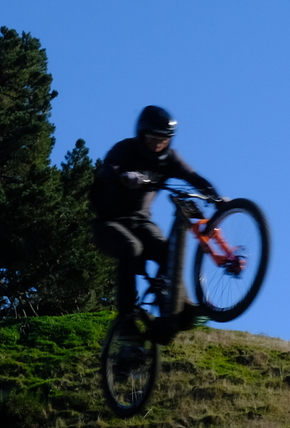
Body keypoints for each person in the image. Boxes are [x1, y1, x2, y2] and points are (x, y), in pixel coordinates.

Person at [90, 105, 220, 342]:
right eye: (153, 139)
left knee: (167, 252)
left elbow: (193, 178)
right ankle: (126, 320)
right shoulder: (125, 149)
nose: (159, 145)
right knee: (132, 248)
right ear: (141, 135)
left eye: (164, 139)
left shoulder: (169, 159)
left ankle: (181, 308)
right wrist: (123, 177)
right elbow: (106, 171)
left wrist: (218, 199)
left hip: (141, 221)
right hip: (108, 224)